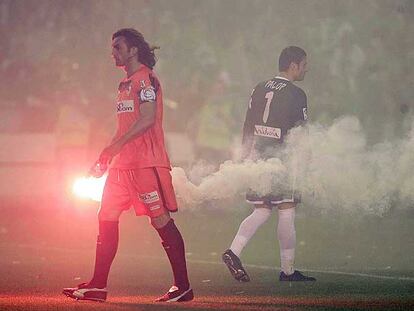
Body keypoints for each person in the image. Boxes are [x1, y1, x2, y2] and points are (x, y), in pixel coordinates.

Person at [63, 28, 193, 303]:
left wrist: (116, 147)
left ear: (133, 50)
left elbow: (146, 119)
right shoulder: (125, 84)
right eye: (113, 47)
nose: (113, 52)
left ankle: (183, 286)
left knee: (160, 221)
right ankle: (98, 285)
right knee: (105, 216)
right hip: (122, 166)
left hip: (145, 164)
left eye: (118, 47)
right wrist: (106, 155)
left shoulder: (145, 80)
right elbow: (123, 126)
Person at [222, 46, 316, 283]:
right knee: (286, 209)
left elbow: (247, 125)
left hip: (258, 156)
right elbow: (300, 133)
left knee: (262, 209)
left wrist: (246, 156)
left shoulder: (259, 87)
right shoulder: (296, 94)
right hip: (282, 159)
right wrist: (305, 161)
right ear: (293, 66)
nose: (306, 69)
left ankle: (233, 252)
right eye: (304, 65)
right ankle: (288, 271)